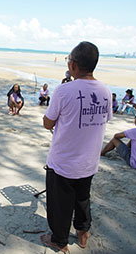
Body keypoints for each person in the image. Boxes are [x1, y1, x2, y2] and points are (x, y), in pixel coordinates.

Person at [41, 41, 113, 252]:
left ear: (73, 65)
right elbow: (104, 119)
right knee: (82, 199)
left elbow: (48, 123)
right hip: (89, 161)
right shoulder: (105, 91)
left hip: (63, 161)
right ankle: (83, 232)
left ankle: (59, 240)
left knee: (60, 204)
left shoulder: (64, 90)